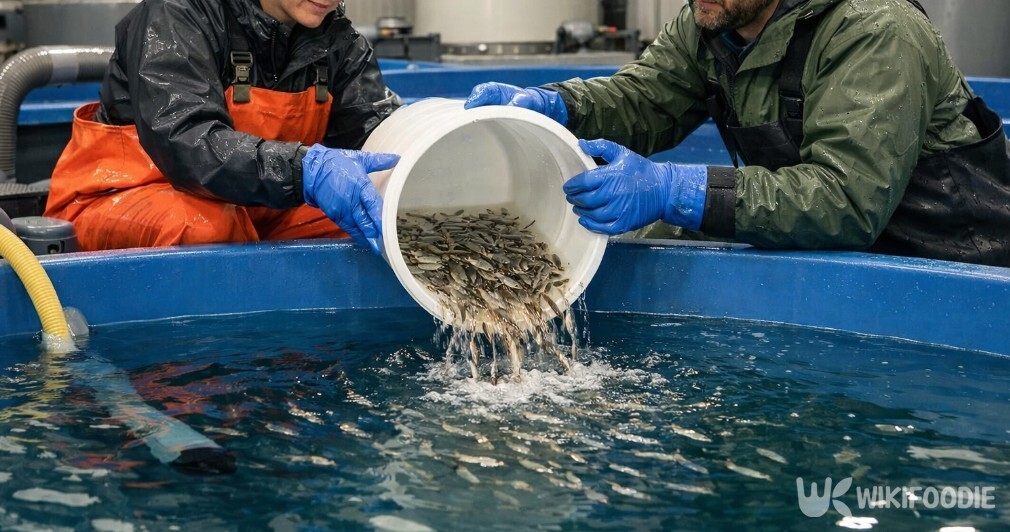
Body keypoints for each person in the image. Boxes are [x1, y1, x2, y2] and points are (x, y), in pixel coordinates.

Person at [465, 0, 1010, 267]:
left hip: (945, 267)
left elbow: (846, 201)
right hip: (819, 250)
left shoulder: (876, 29)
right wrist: (559, 105)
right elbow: (644, 98)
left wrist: (675, 189)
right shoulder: (712, 19)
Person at [44, 0, 400, 255]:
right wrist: (302, 171)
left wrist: (430, 137)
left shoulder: (340, 41)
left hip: (260, 206)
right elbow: (186, 142)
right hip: (123, 196)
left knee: (370, 220)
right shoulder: (177, 14)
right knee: (203, 228)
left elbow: (377, 133)